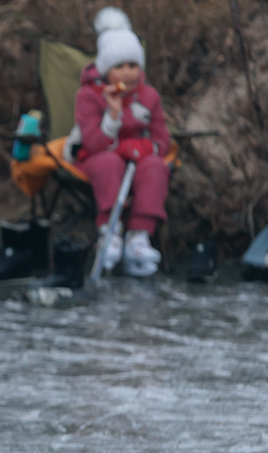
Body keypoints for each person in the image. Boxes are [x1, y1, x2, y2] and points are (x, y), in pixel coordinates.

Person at [73, 24, 171, 277]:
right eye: (119, 67)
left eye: (133, 65)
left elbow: (162, 137)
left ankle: (139, 237)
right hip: (98, 157)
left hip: (138, 159)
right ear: (106, 71)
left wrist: (142, 148)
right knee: (108, 162)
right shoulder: (88, 96)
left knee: (156, 167)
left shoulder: (149, 96)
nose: (127, 73)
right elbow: (93, 143)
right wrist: (114, 112)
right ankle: (111, 231)